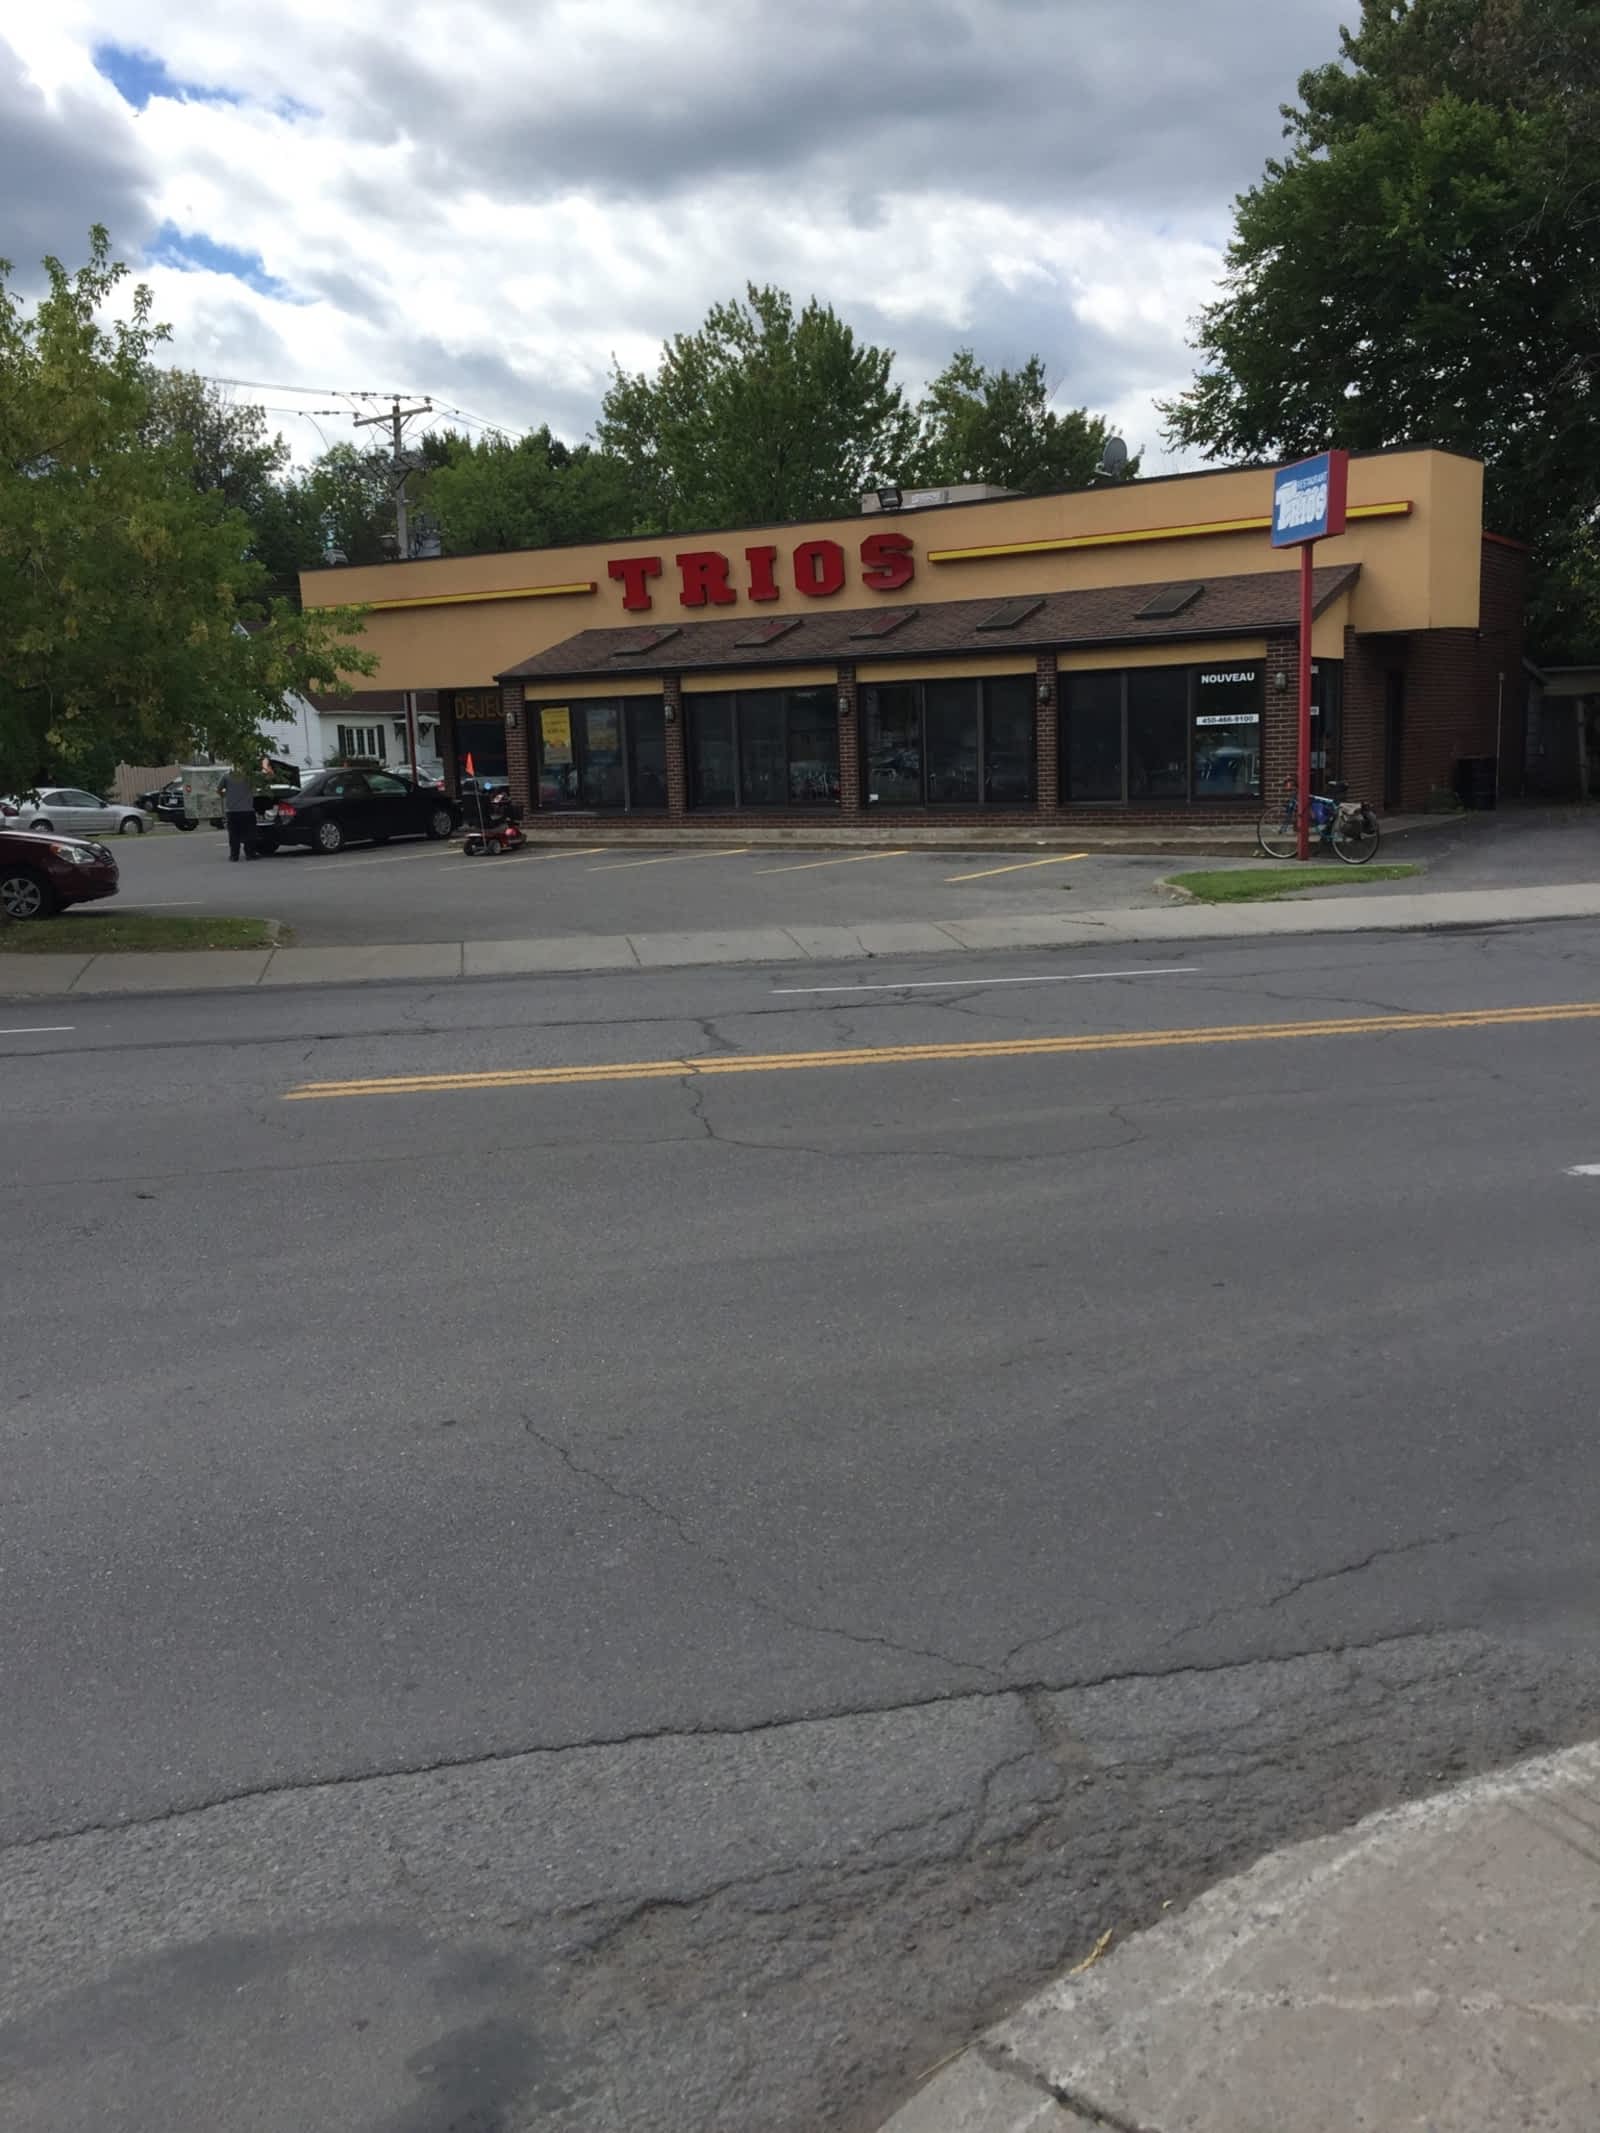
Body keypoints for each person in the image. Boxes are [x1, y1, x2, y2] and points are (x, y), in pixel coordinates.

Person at [221, 766, 258, 860]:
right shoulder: (250, 777)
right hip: (247, 810)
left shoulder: (226, 776)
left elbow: (218, 790)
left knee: (233, 834)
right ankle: (250, 854)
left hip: (232, 811)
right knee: (249, 834)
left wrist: (227, 796)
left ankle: (234, 855)